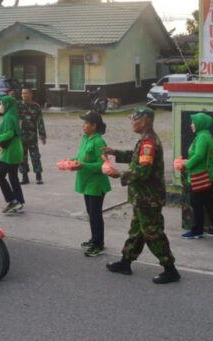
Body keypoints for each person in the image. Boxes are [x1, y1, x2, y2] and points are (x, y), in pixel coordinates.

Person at [103, 106, 180, 284]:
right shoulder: (145, 141)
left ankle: (170, 269)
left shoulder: (149, 143)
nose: (132, 122)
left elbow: (143, 171)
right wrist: (115, 153)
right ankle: (125, 262)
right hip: (143, 196)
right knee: (137, 231)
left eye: (134, 119)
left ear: (144, 121)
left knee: (153, 233)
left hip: (148, 197)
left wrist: (119, 175)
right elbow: (137, 157)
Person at [71, 111, 110, 257]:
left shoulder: (99, 141)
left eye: (86, 123)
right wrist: (73, 160)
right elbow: (82, 156)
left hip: (96, 183)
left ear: (94, 125)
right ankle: (94, 239)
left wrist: (83, 166)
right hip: (87, 182)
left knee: (95, 214)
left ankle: (98, 244)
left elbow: (102, 164)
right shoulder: (86, 138)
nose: (83, 125)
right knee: (91, 213)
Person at [181, 113, 213, 240]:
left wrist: (186, 165)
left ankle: (197, 230)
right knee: (208, 203)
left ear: (200, 123)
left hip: (200, 176)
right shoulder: (204, 135)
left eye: (193, 122)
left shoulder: (203, 137)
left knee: (197, 203)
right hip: (206, 175)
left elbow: (199, 155)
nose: (191, 125)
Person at [0, 95, 25, 214]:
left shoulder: (8, 117)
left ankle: (13, 201)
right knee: (13, 177)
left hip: (11, 152)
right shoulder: (12, 114)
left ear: (7, 105)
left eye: (2, 103)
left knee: (0, 176)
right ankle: (18, 201)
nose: (0, 105)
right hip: (16, 149)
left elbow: (9, 134)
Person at [18, 88, 47, 185]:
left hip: (32, 136)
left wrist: (42, 135)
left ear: (31, 94)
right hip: (20, 136)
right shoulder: (18, 106)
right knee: (22, 157)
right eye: (22, 93)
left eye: (26, 93)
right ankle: (24, 176)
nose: (24, 95)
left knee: (35, 156)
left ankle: (38, 176)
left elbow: (40, 121)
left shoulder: (36, 106)